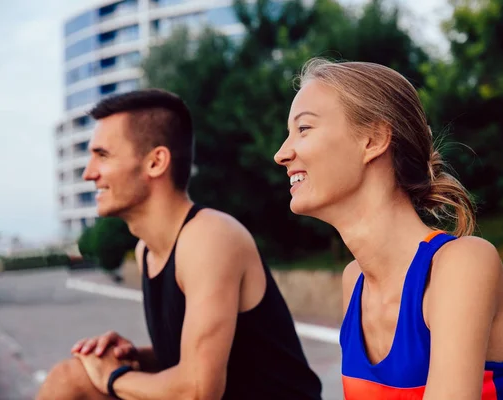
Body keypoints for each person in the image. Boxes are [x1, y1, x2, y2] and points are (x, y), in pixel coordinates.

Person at [36, 89, 322, 400]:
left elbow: (198, 391)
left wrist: (112, 377)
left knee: (74, 380)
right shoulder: (148, 250)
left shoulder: (209, 238)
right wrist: (133, 358)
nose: (89, 173)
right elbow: (205, 355)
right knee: (72, 375)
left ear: (156, 162)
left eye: (102, 155)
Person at [274, 58, 503, 399]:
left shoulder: (460, 265)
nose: (281, 154)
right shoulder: (355, 282)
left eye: (304, 129)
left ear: (373, 139)